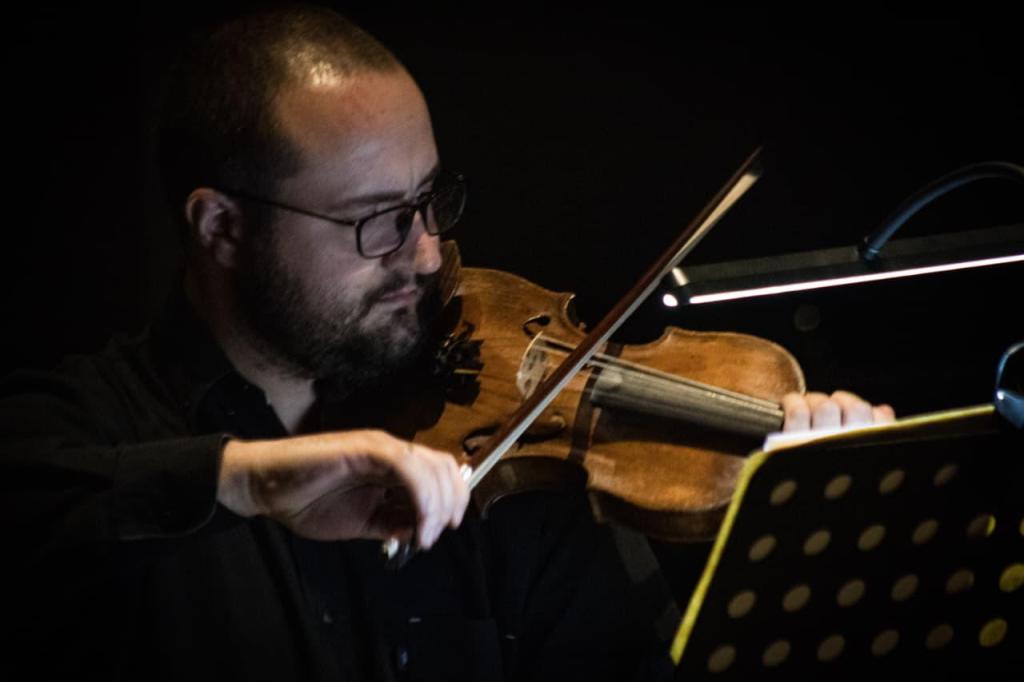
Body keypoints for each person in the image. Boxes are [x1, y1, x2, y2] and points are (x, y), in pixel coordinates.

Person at [0, 5, 894, 681]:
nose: (428, 254)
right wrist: (249, 477)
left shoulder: (506, 452)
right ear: (221, 227)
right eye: (376, 222)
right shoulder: (83, 429)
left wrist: (794, 534)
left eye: (429, 201)